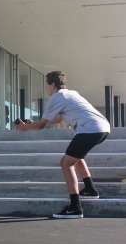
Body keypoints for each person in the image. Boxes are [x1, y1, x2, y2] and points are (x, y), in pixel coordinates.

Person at [15, 70, 110, 219]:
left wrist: (24, 127)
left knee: (66, 163)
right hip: (102, 128)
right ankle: (90, 189)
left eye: (46, 84)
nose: (45, 88)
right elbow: (57, 120)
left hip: (89, 129)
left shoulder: (56, 97)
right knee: (75, 156)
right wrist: (35, 123)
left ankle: (75, 208)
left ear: (52, 84)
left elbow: (40, 126)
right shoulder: (71, 93)